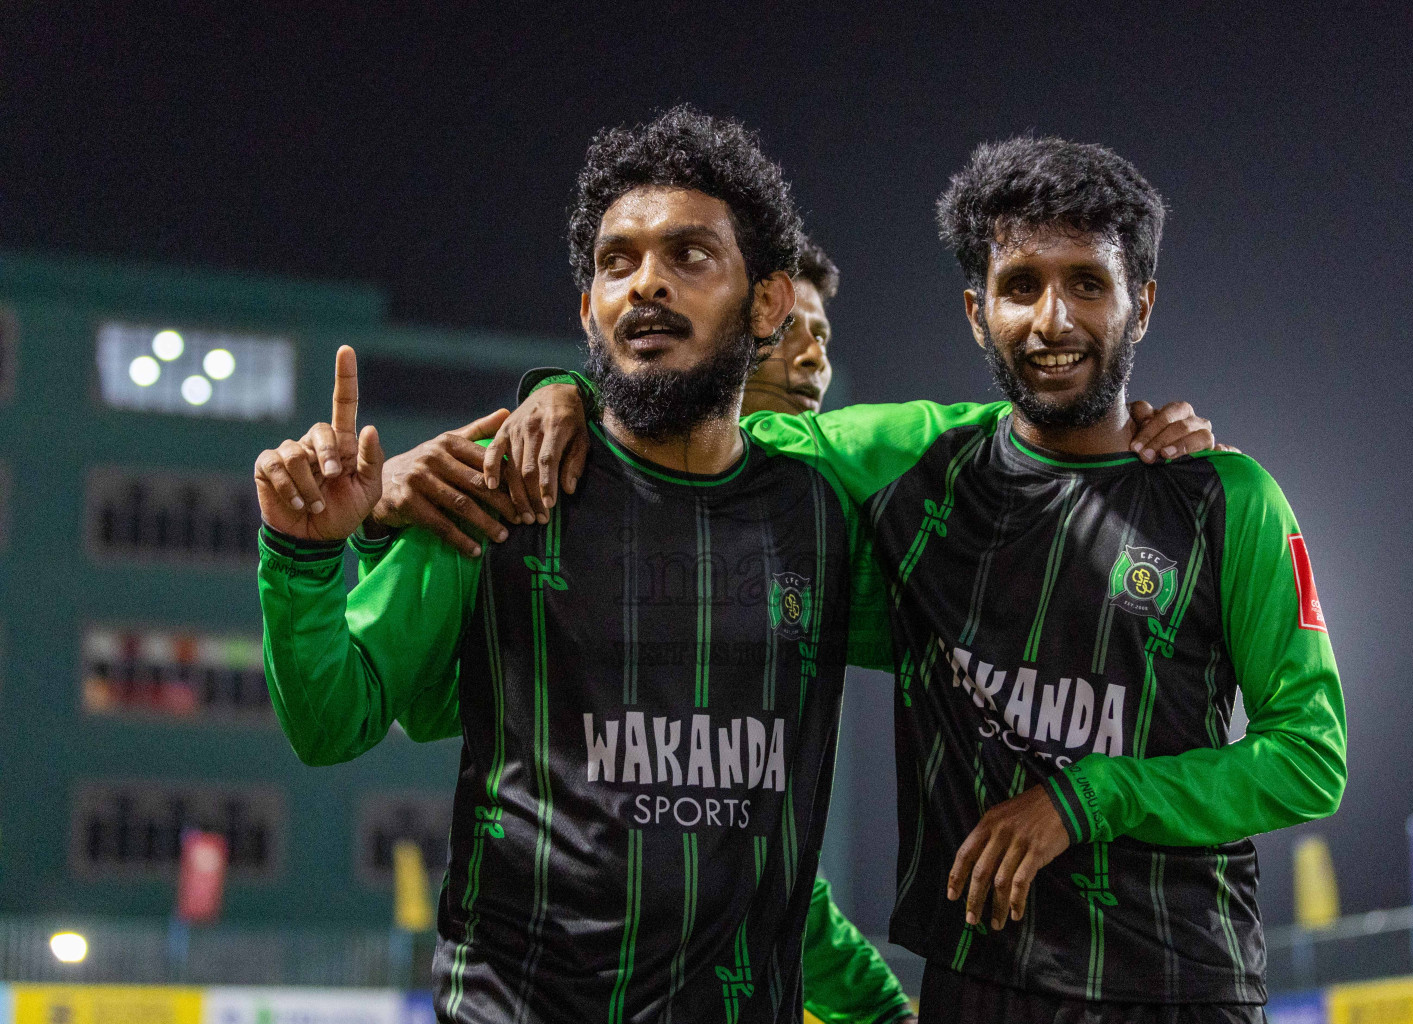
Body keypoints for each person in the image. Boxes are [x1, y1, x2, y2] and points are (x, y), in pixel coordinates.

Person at [478, 135, 1347, 1021]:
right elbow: (690, 435)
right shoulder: (917, 464)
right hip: (974, 986)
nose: (1053, 320)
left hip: (1179, 987)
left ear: (1143, 304)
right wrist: (568, 394)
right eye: (1021, 286)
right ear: (977, 312)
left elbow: (1311, 759)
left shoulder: (1230, 499)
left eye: (1088, 282)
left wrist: (1088, 798)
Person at [254, 105, 924, 1024]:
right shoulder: (501, 488)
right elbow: (331, 719)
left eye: (690, 257)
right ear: (588, 306)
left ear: (766, 303)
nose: (646, 284)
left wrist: (1136, 452)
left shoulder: (817, 515)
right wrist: (303, 556)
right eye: (619, 262)